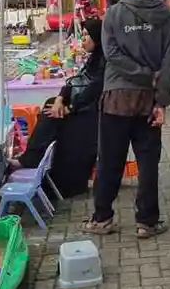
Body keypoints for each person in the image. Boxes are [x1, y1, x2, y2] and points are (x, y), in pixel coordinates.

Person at [83, 0, 170, 238]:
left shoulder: (113, 14)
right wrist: (160, 97)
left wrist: (140, 74)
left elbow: (111, 55)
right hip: (149, 103)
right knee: (148, 163)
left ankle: (102, 218)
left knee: (110, 161)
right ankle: (147, 222)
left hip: (116, 99)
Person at [10, 18, 105, 196]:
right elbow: (74, 81)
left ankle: (31, 157)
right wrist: (61, 99)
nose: (83, 40)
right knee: (51, 104)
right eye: (82, 35)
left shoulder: (104, 61)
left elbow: (93, 90)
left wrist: (69, 108)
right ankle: (32, 157)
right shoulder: (93, 59)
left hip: (92, 114)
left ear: (98, 38)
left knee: (51, 113)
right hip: (81, 106)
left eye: (86, 36)